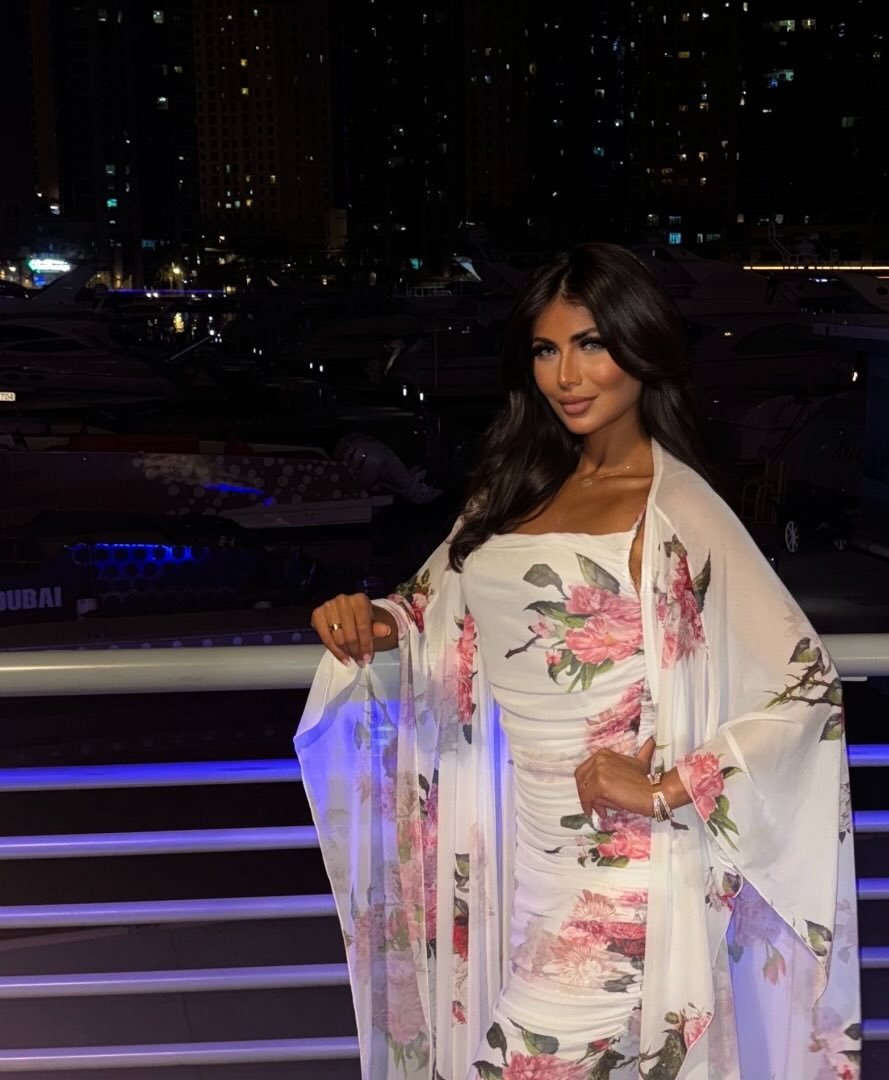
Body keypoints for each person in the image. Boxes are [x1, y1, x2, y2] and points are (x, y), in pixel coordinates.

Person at [297, 242, 860, 1080]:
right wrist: (370, 620)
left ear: (641, 346)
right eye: (546, 349)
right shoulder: (514, 486)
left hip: (626, 878)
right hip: (525, 869)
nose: (566, 375)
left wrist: (669, 786)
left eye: (591, 344)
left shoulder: (675, 507)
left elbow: (805, 687)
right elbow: (430, 605)